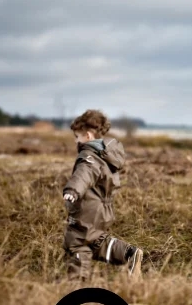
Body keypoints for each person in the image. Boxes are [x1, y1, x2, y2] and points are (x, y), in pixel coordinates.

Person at [61, 109, 144, 278]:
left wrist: (72, 190)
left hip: (88, 210)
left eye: (77, 136)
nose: (76, 141)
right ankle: (128, 254)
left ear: (88, 136)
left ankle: (77, 281)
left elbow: (84, 175)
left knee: (77, 242)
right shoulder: (106, 155)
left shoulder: (89, 157)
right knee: (95, 242)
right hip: (103, 210)